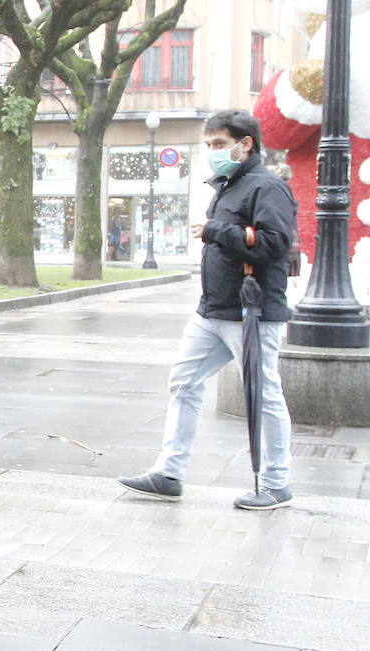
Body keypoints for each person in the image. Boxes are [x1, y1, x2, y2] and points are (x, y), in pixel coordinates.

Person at [119, 110, 299, 511]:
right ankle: (169, 472)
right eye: (209, 146)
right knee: (183, 380)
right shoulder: (230, 185)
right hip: (213, 310)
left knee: (263, 393)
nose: (212, 152)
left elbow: (275, 245)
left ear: (245, 143)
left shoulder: (266, 187)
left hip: (251, 311)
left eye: (218, 144)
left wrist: (217, 231)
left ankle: (276, 483)